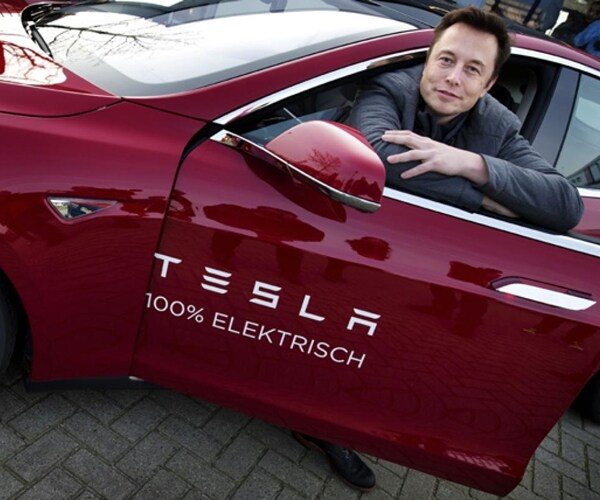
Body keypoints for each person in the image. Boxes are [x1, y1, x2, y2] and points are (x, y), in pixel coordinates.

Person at [349, 6, 583, 232]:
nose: (453, 78)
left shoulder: (498, 126)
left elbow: (567, 204)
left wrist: (471, 164)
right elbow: (375, 154)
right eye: (446, 60)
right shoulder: (389, 88)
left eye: (472, 69)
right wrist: (481, 199)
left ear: (488, 85)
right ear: (428, 61)